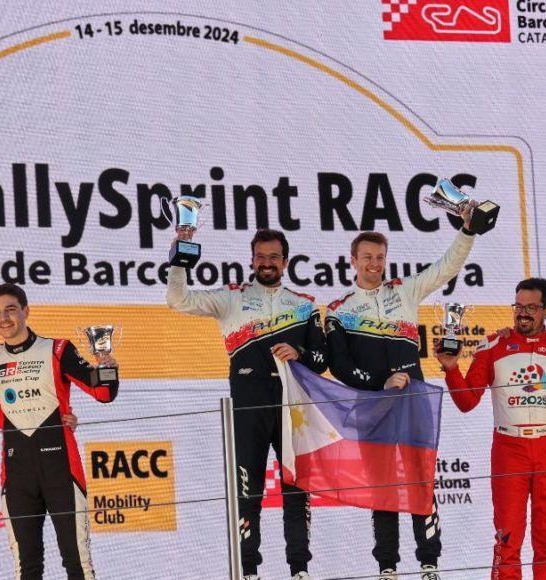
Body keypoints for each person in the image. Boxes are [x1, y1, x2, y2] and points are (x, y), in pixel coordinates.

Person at [166, 229, 327, 580]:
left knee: (297, 492)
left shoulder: (303, 304)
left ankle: (300, 570)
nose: (266, 263)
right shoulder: (231, 298)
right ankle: (249, 571)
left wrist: (299, 352)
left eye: (273, 257)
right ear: (252, 260)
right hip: (249, 404)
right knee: (247, 491)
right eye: (260, 257)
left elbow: (321, 359)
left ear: (285, 262)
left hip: (293, 406)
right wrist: (180, 257)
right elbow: (178, 300)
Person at [324, 215, 476, 580]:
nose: (374, 263)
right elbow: (339, 365)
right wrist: (382, 381)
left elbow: (447, 266)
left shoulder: (404, 291)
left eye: (380, 257)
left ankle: (429, 564)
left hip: (412, 403)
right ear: (353, 261)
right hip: (373, 407)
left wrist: (468, 230)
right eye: (367, 257)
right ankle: (387, 567)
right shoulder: (339, 309)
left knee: (421, 482)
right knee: (383, 489)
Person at [436, 278, 546, 580]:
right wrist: (451, 368)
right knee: (507, 538)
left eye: (531, 308)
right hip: (509, 449)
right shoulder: (492, 345)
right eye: (518, 306)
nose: (522, 313)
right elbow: (467, 401)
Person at [0, 283, 118, 580]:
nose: (4, 318)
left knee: (78, 564)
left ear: (26, 311)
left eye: (11, 309)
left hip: (61, 470)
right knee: (26, 569)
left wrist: (106, 366)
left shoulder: (57, 349)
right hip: (17, 474)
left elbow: (104, 393)